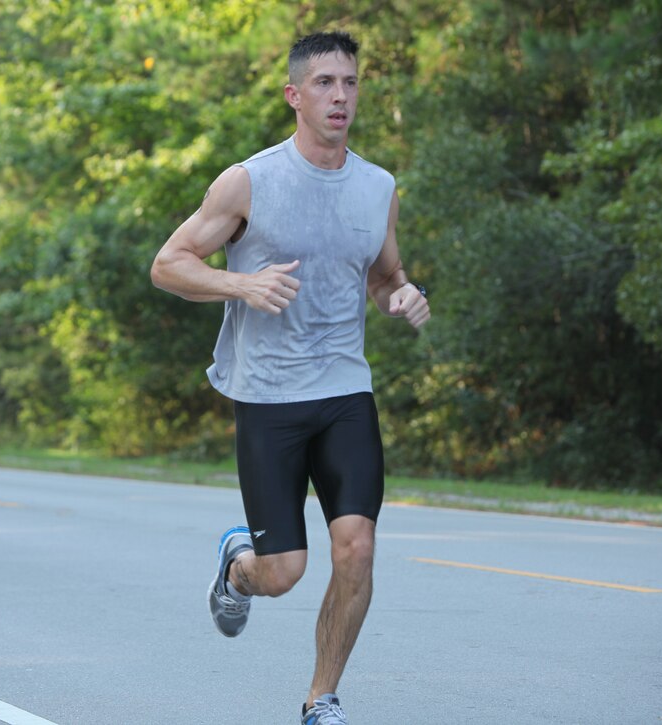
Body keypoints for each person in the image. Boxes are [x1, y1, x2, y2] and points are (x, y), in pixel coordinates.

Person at [151, 30, 430, 724]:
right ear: (294, 95)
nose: (341, 96)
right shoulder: (251, 180)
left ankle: (320, 699)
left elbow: (382, 272)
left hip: (344, 390)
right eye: (326, 83)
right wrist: (240, 285)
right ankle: (238, 567)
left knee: (357, 546)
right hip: (269, 395)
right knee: (284, 572)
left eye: (351, 83)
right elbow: (169, 263)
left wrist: (401, 294)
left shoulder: (378, 187)